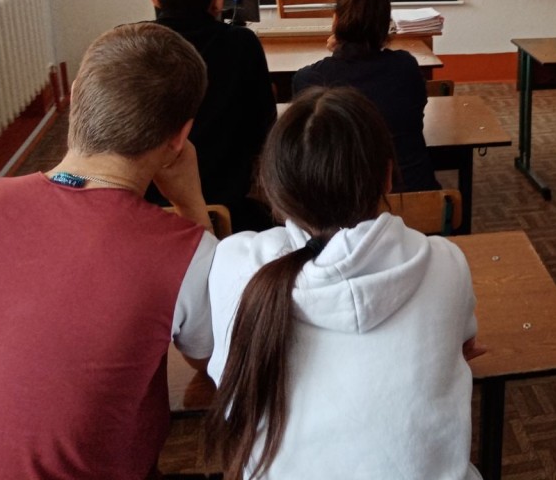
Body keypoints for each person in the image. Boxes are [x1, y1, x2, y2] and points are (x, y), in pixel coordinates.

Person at [0, 23, 217, 479]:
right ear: (180, 138)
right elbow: (210, 359)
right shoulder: (186, 250)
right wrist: (191, 204)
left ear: (76, 94)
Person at [205, 86, 483, 480]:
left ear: (273, 189)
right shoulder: (445, 261)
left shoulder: (235, 262)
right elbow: (465, 344)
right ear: (387, 177)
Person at [147, 0, 277, 230]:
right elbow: (264, 129)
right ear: (219, 0)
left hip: (147, 216)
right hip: (233, 214)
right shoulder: (243, 45)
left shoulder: (130, 45)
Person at [291, 0, 439, 192]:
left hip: (344, 200)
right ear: (385, 26)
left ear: (335, 21)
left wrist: (339, 50)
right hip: (415, 196)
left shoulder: (308, 80)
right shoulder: (406, 67)